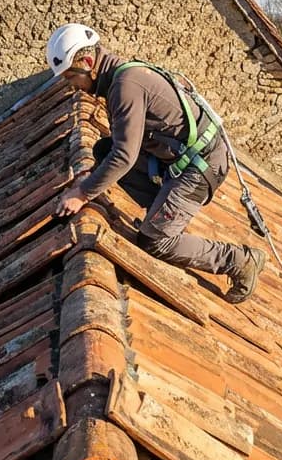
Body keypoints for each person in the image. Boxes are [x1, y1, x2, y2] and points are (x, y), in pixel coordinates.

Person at [48, 23, 266, 303]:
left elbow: (124, 156)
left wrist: (82, 193)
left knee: (154, 241)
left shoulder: (125, 87)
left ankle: (238, 260)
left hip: (202, 166)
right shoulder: (122, 78)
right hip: (180, 158)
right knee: (103, 150)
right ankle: (160, 213)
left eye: (71, 77)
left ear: (88, 63)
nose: (72, 86)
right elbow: (120, 148)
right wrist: (92, 176)